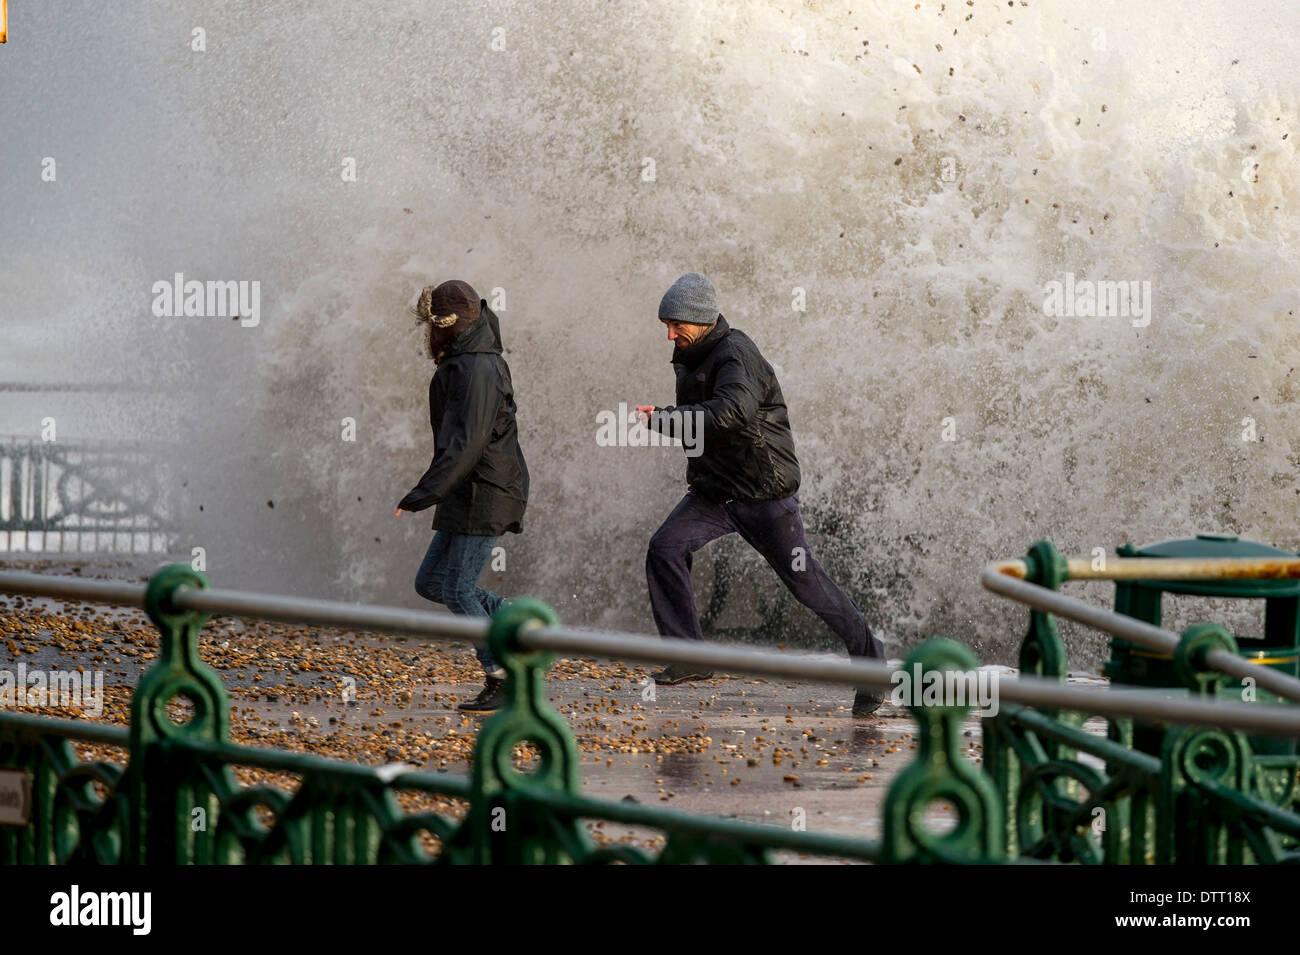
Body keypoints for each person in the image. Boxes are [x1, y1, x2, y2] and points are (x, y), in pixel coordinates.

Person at [636, 273, 885, 716]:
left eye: (676, 325)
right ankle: (690, 657)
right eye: (666, 326)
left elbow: (733, 412)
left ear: (702, 318)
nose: (670, 335)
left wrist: (666, 418)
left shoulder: (736, 353)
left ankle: (872, 666)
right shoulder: (692, 351)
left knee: (808, 586)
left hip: (762, 493)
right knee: (664, 548)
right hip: (715, 492)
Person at [397, 279, 529, 714]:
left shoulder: (477, 368)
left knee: (456, 588)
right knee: (431, 583)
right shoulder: (465, 360)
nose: (427, 334)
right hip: (467, 489)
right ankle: (516, 622)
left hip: (487, 490)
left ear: (445, 326)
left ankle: (502, 677)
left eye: (431, 324)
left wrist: (423, 493)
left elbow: (468, 444)